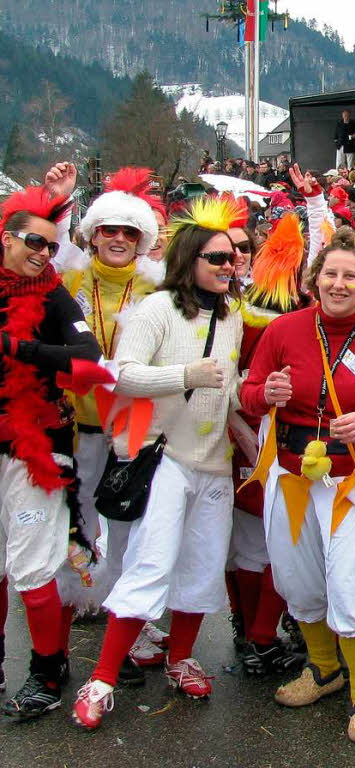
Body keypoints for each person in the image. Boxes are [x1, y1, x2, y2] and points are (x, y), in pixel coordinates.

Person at [236, 227, 355, 741]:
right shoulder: (283, 331)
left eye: (350, 275)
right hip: (292, 479)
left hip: (350, 485)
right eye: (331, 274)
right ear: (313, 280)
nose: (339, 284)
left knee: (350, 584)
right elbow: (250, 395)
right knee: (300, 584)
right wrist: (266, 392)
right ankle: (323, 669)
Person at [71, 197, 246, 729]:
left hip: (214, 462)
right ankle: (100, 679)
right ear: (189, 259)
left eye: (232, 259)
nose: (227, 266)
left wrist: (251, 419)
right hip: (165, 455)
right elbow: (121, 375)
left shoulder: (233, 314)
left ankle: (180, 658)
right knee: (151, 561)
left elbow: (228, 386)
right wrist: (184, 376)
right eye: (216, 258)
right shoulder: (156, 309)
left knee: (202, 564)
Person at [50, 165, 167, 673]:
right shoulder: (72, 274)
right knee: (77, 515)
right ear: (93, 234)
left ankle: (130, 612)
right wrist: (59, 200)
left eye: (128, 232)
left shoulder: (156, 285)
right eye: (108, 230)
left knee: (129, 520)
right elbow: (42, 249)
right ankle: (81, 595)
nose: (117, 239)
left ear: (141, 240)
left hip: (132, 421)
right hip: (77, 420)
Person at [0, 186, 102, 720]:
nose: (43, 252)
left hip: (35, 449)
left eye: (51, 244)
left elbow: (88, 358)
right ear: (5, 238)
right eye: (33, 242)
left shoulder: (55, 295)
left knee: (34, 567)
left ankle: (48, 670)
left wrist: (20, 349)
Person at [226, 208, 307, 677]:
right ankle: (258, 634)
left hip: (253, 437)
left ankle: (252, 630)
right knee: (272, 541)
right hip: (263, 438)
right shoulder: (272, 316)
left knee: (253, 542)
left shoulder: (239, 308)